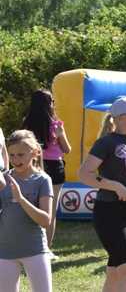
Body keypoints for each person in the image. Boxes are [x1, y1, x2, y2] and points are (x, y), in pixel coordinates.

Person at [78, 96, 126, 292]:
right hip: (109, 211)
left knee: (116, 270)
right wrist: (115, 186)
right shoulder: (105, 143)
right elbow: (84, 174)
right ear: (118, 119)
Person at [0, 130, 53, 292]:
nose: (16, 160)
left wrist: (21, 199)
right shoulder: (4, 180)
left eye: (21, 155)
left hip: (35, 250)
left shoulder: (43, 180)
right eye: (12, 155)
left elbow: (45, 220)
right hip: (4, 252)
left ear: (35, 153)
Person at [22, 89, 71, 255]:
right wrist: (59, 136)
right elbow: (67, 149)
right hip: (55, 168)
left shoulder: (27, 125)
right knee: (50, 211)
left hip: (33, 166)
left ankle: (30, 246)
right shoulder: (56, 125)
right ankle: (46, 249)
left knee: (31, 207)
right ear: (49, 104)